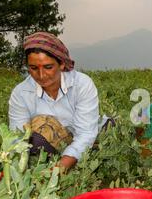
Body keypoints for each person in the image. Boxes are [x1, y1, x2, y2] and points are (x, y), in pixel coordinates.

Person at [8, 31, 110, 170]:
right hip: (51, 145)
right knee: (33, 133)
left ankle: (72, 163)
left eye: (48, 67)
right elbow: (17, 137)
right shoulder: (21, 93)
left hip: (84, 135)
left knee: (108, 135)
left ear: (62, 64)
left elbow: (86, 133)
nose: (42, 75)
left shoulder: (81, 84)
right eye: (33, 68)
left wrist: (59, 169)